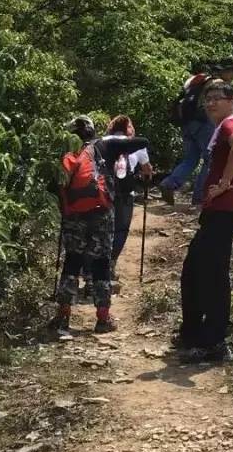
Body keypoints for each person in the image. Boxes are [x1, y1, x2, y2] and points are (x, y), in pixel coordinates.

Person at [177, 80, 233, 362]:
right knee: (196, 271)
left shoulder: (231, 126)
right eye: (207, 98)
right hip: (221, 211)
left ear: (232, 101)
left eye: (217, 98)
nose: (210, 103)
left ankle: (213, 341)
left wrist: (224, 182)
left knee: (211, 275)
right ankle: (193, 334)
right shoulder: (231, 125)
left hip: (225, 209)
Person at [53, 116, 149, 338]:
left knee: (72, 260)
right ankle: (103, 318)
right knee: (101, 263)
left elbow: (57, 187)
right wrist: (123, 140)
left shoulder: (67, 154)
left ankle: (63, 315)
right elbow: (142, 142)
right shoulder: (105, 146)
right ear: (91, 131)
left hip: (73, 215)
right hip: (101, 212)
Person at [104, 115, 152, 289]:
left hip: (104, 193)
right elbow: (147, 169)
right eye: (131, 125)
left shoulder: (102, 142)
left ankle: (94, 268)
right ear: (127, 128)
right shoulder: (135, 145)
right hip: (125, 193)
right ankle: (110, 263)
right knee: (121, 229)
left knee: (103, 229)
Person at [160, 67, 216, 207]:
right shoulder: (216, 83)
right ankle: (199, 197)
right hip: (203, 124)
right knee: (210, 160)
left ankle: (169, 183)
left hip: (187, 124)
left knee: (190, 159)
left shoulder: (195, 81)